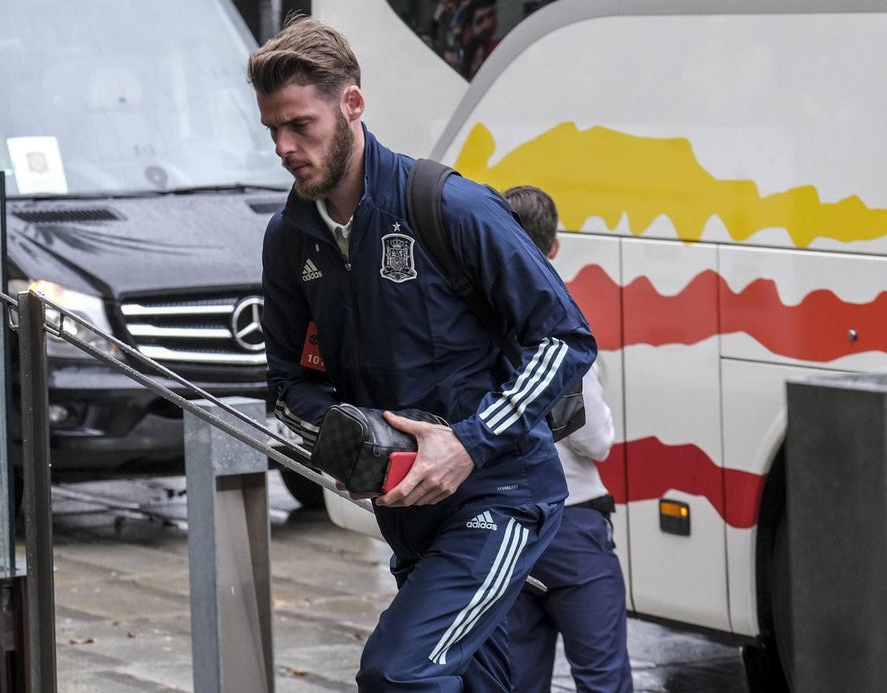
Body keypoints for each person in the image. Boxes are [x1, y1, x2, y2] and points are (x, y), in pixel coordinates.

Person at [248, 16, 596, 691]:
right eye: (272, 131)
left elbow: (567, 338)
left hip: (498, 497)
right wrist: (347, 438)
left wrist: (466, 442)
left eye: (300, 125)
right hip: (407, 515)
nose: (284, 147)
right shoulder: (289, 239)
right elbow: (288, 382)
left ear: (352, 104)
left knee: (399, 672)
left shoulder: (450, 205)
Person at [501, 185, 633, 693]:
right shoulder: (556, 319)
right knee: (602, 680)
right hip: (572, 525)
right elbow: (595, 441)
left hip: (507, 527)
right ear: (553, 246)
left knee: (516, 681)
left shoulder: (472, 319)